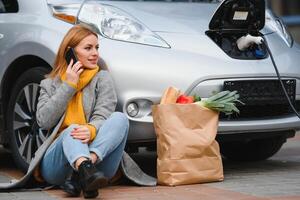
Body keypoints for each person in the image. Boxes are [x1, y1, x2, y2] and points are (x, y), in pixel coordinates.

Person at [35, 24, 129, 198]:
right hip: (57, 167)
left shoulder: (102, 78)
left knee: (120, 118)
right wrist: (69, 85)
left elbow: (104, 115)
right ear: (70, 52)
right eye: (88, 48)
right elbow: (44, 121)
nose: (95, 53)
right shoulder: (49, 84)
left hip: (99, 163)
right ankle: (85, 173)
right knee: (72, 129)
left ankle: (85, 171)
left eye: (97, 47)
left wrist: (92, 129)